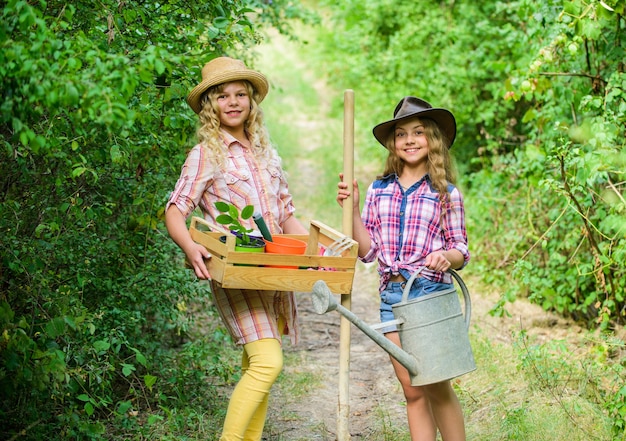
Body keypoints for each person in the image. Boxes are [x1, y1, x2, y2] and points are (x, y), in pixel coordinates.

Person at [165, 56, 308, 441]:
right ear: (210, 105)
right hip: (236, 271)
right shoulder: (206, 155)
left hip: (273, 273)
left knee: (256, 364)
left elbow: (286, 215)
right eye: (223, 95)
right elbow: (175, 210)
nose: (233, 102)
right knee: (268, 362)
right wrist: (191, 248)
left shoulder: (266, 152)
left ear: (251, 101)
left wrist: (312, 254)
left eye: (240, 94)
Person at [336, 96, 470, 441]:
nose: (409, 140)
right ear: (393, 143)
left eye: (418, 132)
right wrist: (351, 212)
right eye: (401, 133)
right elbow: (368, 252)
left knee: (436, 385)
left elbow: (460, 249)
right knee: (412, 390)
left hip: (428, 295)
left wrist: (445, 256)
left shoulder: (445, 193)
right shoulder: (378, 190)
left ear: (433, 140)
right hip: (391, 296)